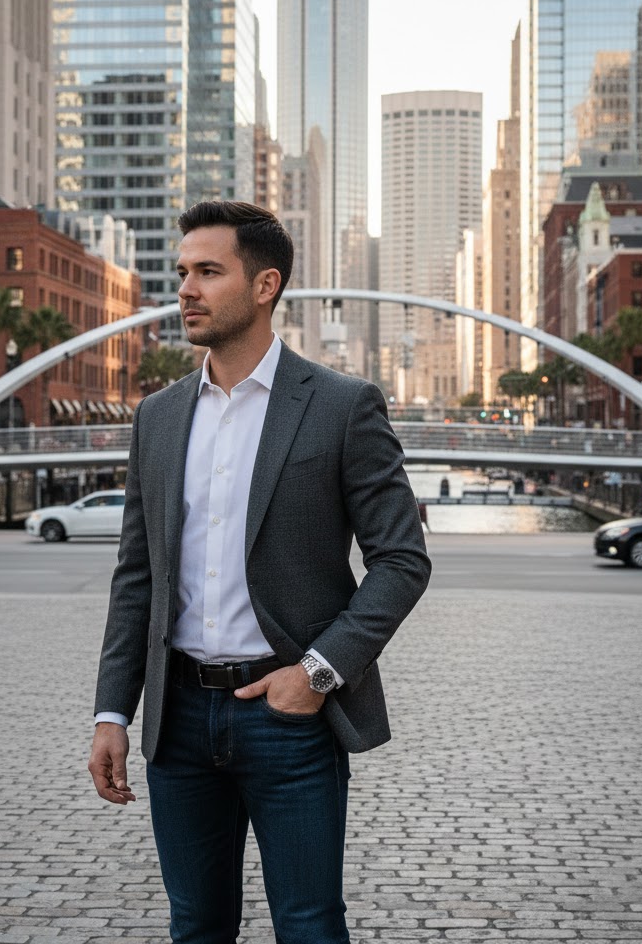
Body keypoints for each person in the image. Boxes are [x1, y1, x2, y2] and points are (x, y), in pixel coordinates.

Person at [89, 201, 431, 943]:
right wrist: (112, 712)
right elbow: (136, 577)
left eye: (209, 272)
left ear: (265, 284)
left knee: (309, 926)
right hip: (177, 721)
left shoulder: (341, 406)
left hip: (289, 717)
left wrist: (317, 673)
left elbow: (402, 560)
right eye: (182, 271)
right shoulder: (158, 417)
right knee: (196, 926)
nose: (186, 289)